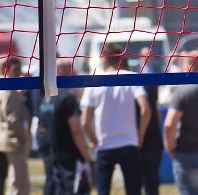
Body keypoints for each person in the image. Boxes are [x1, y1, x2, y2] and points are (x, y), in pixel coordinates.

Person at [81, 43, 150, 195]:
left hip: (104, 144)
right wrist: (140, 135)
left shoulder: (94, 82)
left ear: (103, 59)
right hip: (129, 143)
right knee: (134, 191)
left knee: (102, 191)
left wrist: (94, 140)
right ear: (120, 59)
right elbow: (146, 109)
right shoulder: (131, 78)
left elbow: (85, 121)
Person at [37, 60, 92, 195]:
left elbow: (43, 126)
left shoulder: (47, 97)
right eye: (71, 70)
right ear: (61, 71)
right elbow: (76, 131)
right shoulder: (68, 98)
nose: (75, 74)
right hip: (70, 155)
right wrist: (86, 156)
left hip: (54, 152)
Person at [164, 55, 198, 195]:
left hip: (186, 153)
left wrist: (169, 147)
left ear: (187, 67)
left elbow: (169, 124)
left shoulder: (182, 92)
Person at [0, 58, 30, 195]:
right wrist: (24, 134)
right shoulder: (8, 89)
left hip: (14, 139)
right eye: (15, 69)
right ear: (6, 70)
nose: (19, 72)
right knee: (16, 180)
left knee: (19, 178)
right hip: (13, 140)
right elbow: (10, 118)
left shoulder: (12, 88)